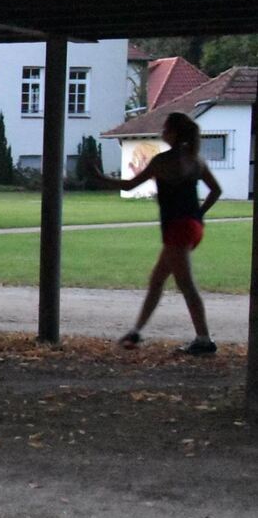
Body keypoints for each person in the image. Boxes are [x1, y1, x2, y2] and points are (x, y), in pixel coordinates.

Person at [93, 111, 221, 354]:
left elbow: (130, 185)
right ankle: (136, 332)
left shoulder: (163, 161)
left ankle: (204, 340)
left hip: (177, 229)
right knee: (158, 279)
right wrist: (200, 214)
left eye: (165, 129)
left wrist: (101, 179)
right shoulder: (196, 160)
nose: (162, 132)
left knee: (186, 285)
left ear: (173, 133)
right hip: (191, 227)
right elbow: (215, 190)